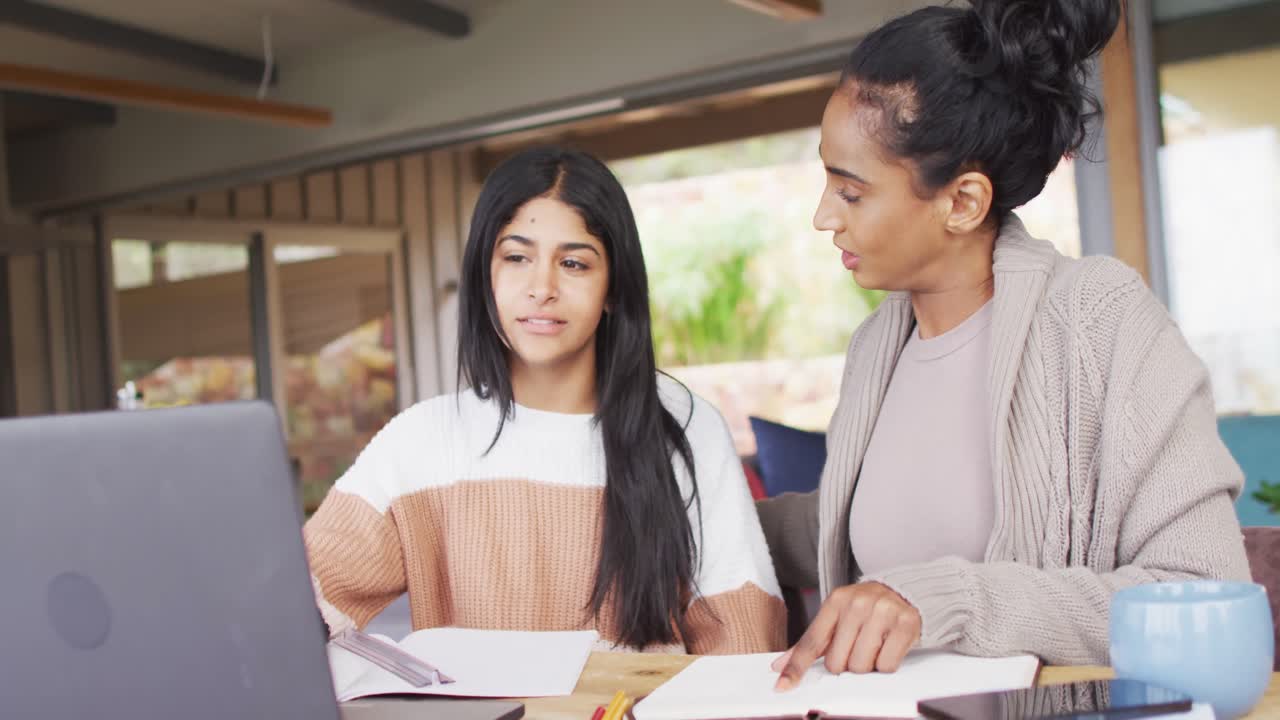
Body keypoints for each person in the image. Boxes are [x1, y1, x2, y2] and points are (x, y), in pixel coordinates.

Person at [757, 0, 1250, 687]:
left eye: (851, 192)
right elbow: (860, 526)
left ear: (962, 202)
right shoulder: (877, 346)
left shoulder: (1100, 321)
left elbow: (1199, 591)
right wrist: (687, 512)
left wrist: (946, 601)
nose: (823, 216)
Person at [305, 146, 786, 653]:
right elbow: (296, 604)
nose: (542, 288)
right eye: (516, 258)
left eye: (574, 263)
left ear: (613, 288)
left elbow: (743, 642)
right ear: (485, 275)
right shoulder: (421, 440)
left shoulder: (685, 427)